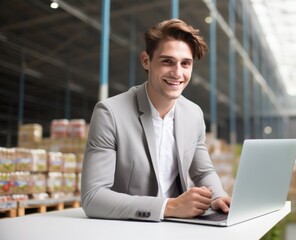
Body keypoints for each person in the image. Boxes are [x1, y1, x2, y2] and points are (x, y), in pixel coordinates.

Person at [81, 19, 231, 221]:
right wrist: (169, 206)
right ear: (146, 61)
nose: (178, 73)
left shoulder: (193, 114)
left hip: (177, 227)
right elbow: (93, 197)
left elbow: (203, 172)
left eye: (185, 63)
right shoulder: (110, 113)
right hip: (126, 228)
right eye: (167, 61)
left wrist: (219, 196)